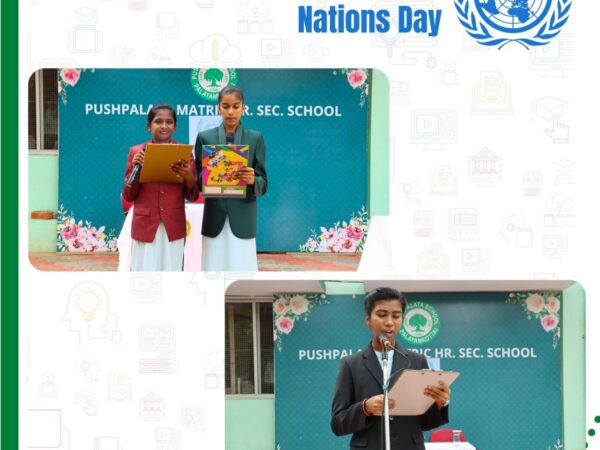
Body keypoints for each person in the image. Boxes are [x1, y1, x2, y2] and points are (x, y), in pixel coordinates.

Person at [331, 287, 451, 450]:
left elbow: (425, 422)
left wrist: (439, 404)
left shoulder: (417, 361)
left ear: (402, 320)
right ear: (368, 320)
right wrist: (365, 407)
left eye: (396, 316)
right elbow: (338, 423)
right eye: (381, 315)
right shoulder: (350, 364)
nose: (389, 322)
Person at [194, 86, 267, 271]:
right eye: (225, 106)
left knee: (243, 269)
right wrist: (209, 173)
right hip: (214, 215)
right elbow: (197, 181)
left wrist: (253, 180)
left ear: (244, 108)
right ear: (218, 108)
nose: (231, 112)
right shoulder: (205, 138)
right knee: (212, 269)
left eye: (236, 106)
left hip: (243, 215)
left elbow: (263, 182)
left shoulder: (255, 138)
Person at [122, 104, 199, 271]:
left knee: (172, 272)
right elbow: (128, 195)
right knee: (144, 273)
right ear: (149, 126)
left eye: (169, 122)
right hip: (145, 225)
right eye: (158, 121)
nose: (164, 126)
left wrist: (188, 176)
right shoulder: (136, 152)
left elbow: (193, 196)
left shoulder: (185, 153)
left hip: (173, 224)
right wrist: (136, 168)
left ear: (175, 126)